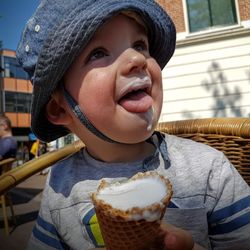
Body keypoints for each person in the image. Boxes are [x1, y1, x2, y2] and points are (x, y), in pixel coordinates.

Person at [16, 1, 250, 249]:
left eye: (140, 45)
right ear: (60, 109)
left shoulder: (209, 170)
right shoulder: (60, 185)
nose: (137, 58)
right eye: (98, 52)